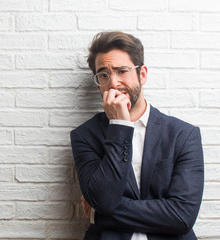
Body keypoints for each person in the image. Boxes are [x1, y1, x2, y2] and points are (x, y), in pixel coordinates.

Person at [70, 31, 204, 240]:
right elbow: (104, 200)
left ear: (142, 74)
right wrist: (119, 125)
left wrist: (99, 214)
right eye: (103, 75)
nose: (113, 83)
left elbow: (182, 216)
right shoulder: (85, 136)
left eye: (122, 71)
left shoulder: (183, 135)